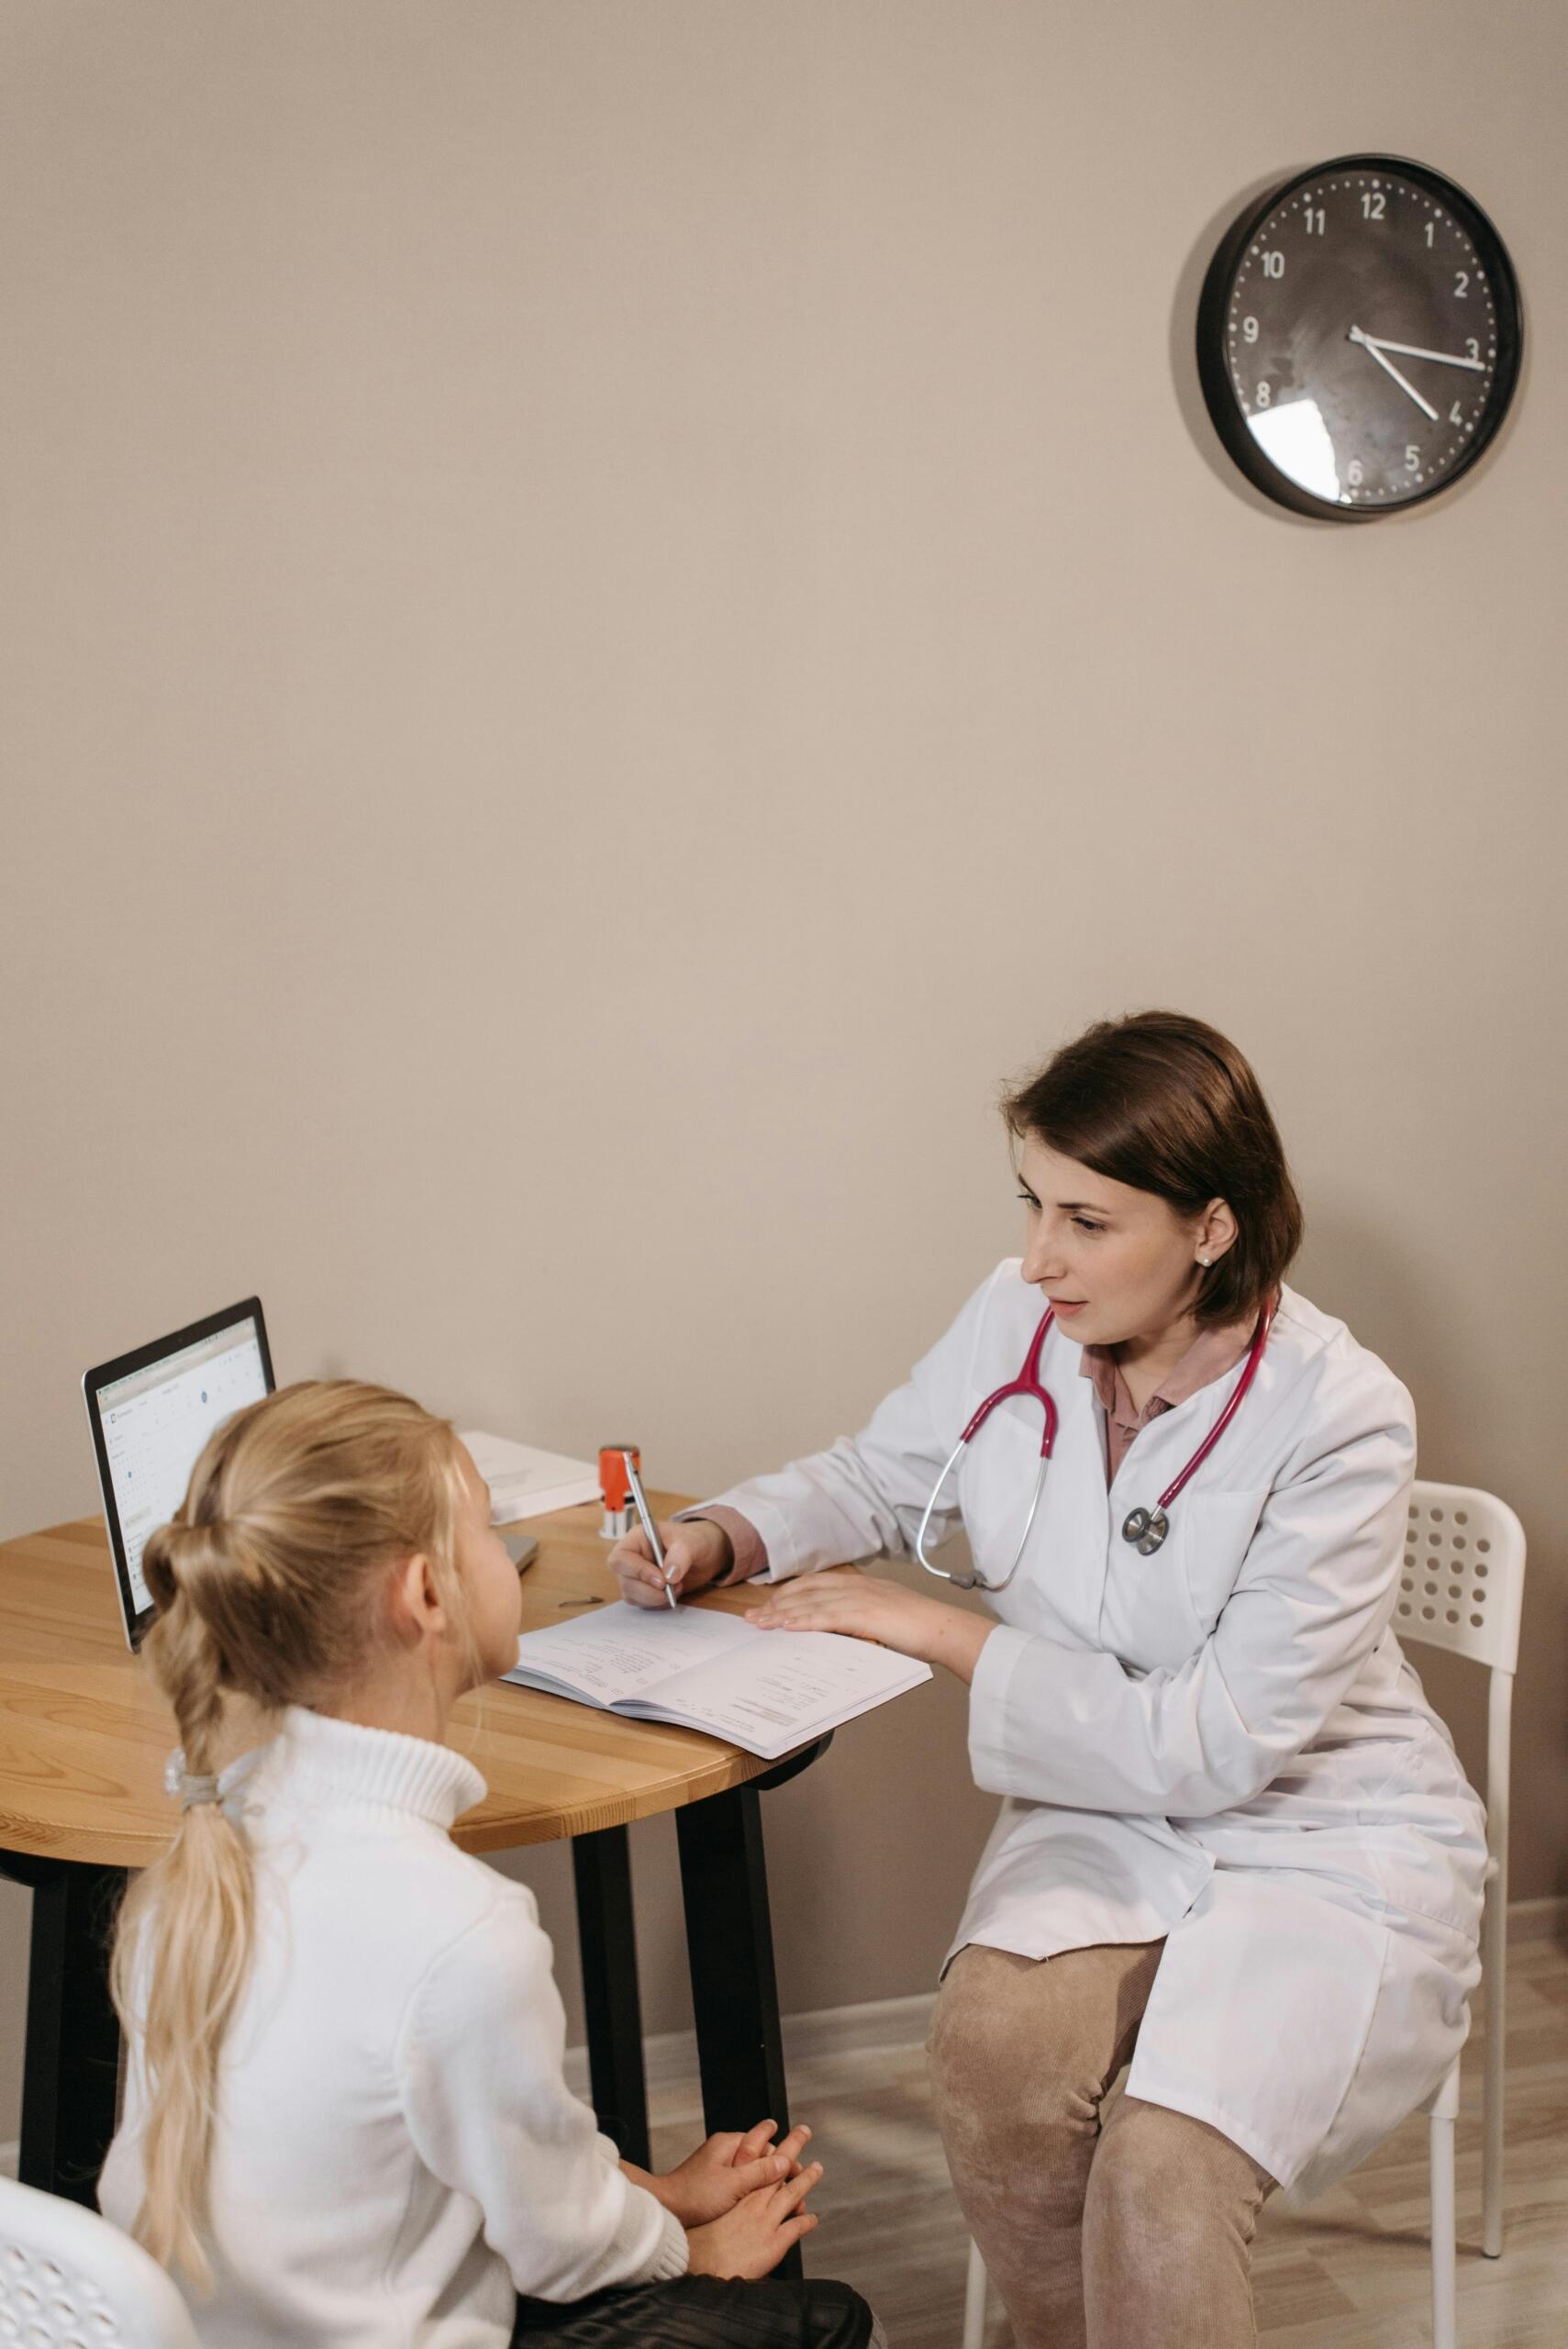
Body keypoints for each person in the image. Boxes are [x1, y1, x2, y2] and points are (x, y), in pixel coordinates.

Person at [611, 1010, 1486, 2349]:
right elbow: (884, 1472)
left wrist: (941, 1634)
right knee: (989, 2060)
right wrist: (722, 1535)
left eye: (1086, 1220)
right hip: (1100, 1805)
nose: (1037, 1259)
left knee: (1162, 2167)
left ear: (1210, 1227)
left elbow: (1217, 1745)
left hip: (1315, 1827)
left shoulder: (1340, 1413)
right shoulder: (1020, 1319)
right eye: (1033, 1205)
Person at [99, 1380, 879, 2349]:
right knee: (827, 2321)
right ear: (426, 1595)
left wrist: (662, 2194)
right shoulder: (457, 1929)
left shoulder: (206, 1847)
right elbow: (554, 2242)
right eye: (489, 1527)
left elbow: (477, 2147)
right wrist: (694, 2252)